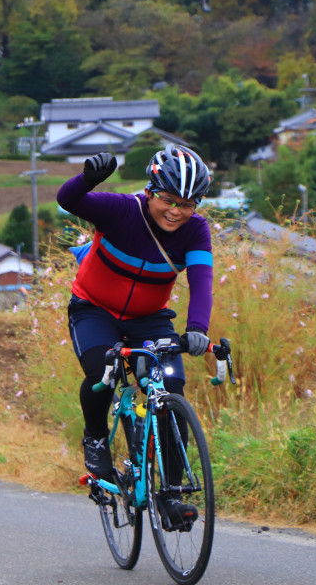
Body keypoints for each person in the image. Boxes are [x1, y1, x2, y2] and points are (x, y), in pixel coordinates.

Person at [57, 144, 214, 530]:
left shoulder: (195, 230)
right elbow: (68, 199)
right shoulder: (122, 211)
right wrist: (89, 179)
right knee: (100, 373)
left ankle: (172, 495)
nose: (177, 210)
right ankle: (95, 438)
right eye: (168, 199)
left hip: (149, 319)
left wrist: (197, 329)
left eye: (188, 203)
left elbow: (202, 282)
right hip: (94, 308)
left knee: (171, 387)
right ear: (150, 190)